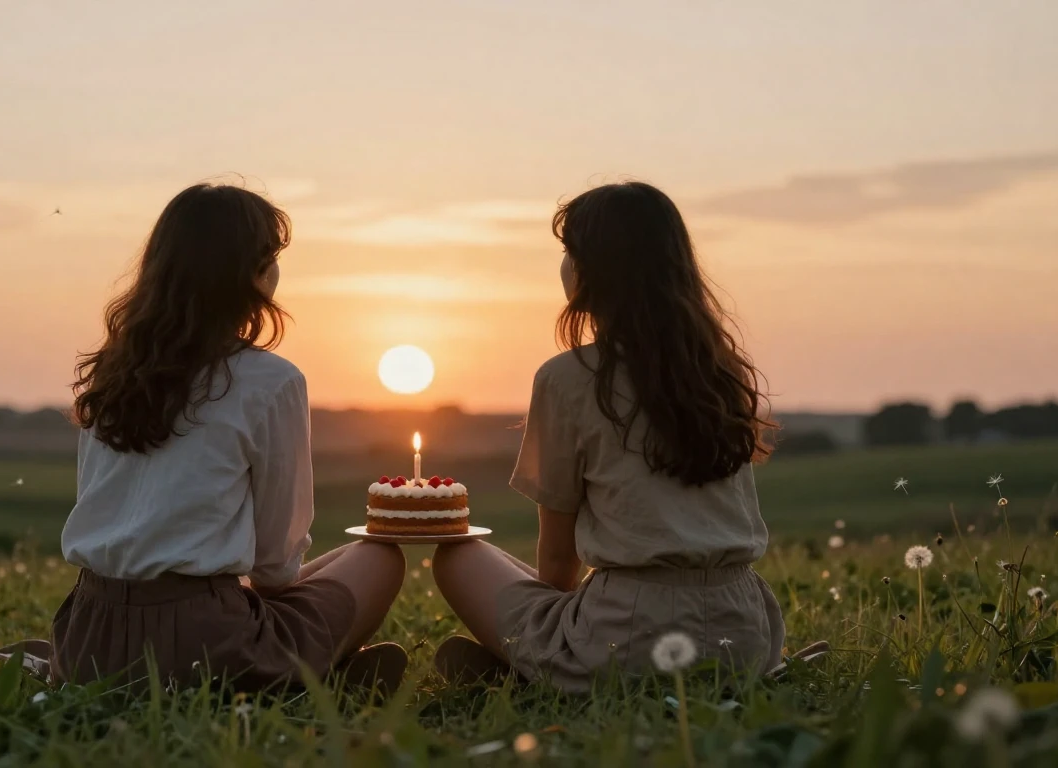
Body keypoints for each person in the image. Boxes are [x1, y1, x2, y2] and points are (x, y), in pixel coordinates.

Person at [49, 183, 408, 693]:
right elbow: (276, 569)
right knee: (378, 556)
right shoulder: (271, 380)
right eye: (272, 258)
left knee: (316, 574)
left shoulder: (112, 373)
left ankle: (310, 674)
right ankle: (311, 677)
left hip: (85, 635)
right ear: (252, 274)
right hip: (202, 645)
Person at [430, 181, 785, 692]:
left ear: (594, 269)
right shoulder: (720, 371)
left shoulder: (568, 377)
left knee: (458, 555)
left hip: (632, 636)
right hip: (746, 633)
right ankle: (534, 671)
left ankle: (540, 672)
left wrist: (547, 630)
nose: (564, 265)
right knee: (500, 567)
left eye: (569, 252)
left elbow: (555, 564)